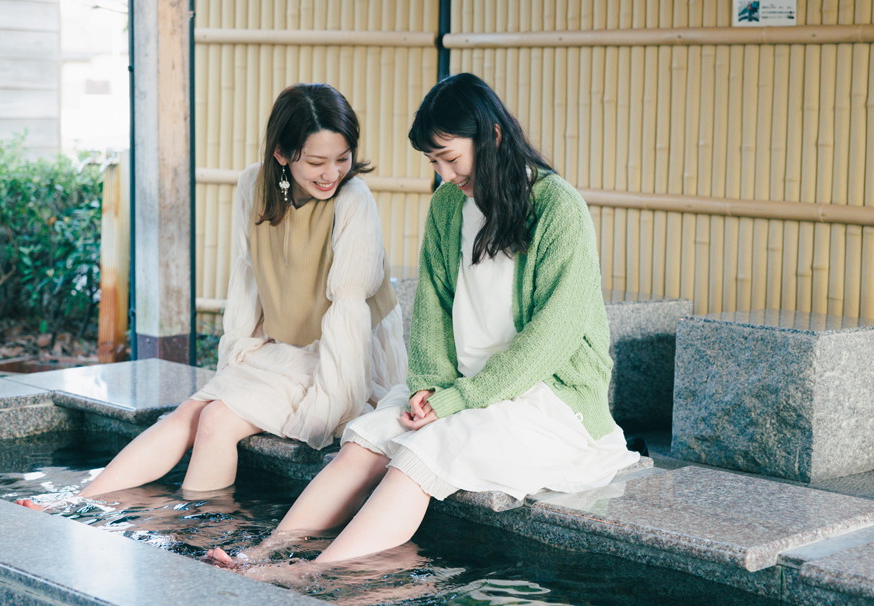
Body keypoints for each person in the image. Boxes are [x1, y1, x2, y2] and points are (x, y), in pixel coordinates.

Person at [219, 73, 638, 564]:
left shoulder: (557, 207)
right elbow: (434, 309)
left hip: (545, 398)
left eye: (450, 158)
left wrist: (459, 398)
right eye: (433, 162)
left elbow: (554, 335)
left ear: (492, 136)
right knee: (367, 443)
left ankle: (310, 575)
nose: (444, 174)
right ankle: (266, 555)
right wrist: (428, 385)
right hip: (458, 387)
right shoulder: (447, 206)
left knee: (419, 457)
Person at [18, 83, 406, 508]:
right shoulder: (252, 185)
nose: (331, 173)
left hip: (340, 359)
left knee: (217, 419)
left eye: (342, 159)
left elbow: (349, 314)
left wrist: (332, 406)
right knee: (190, 413)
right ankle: (78, 501)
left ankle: (202, 540)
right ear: (281, 153)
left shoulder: (353, 199)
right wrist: (235, 366)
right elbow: (247, 281)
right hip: (283, 351)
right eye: (316, 162)